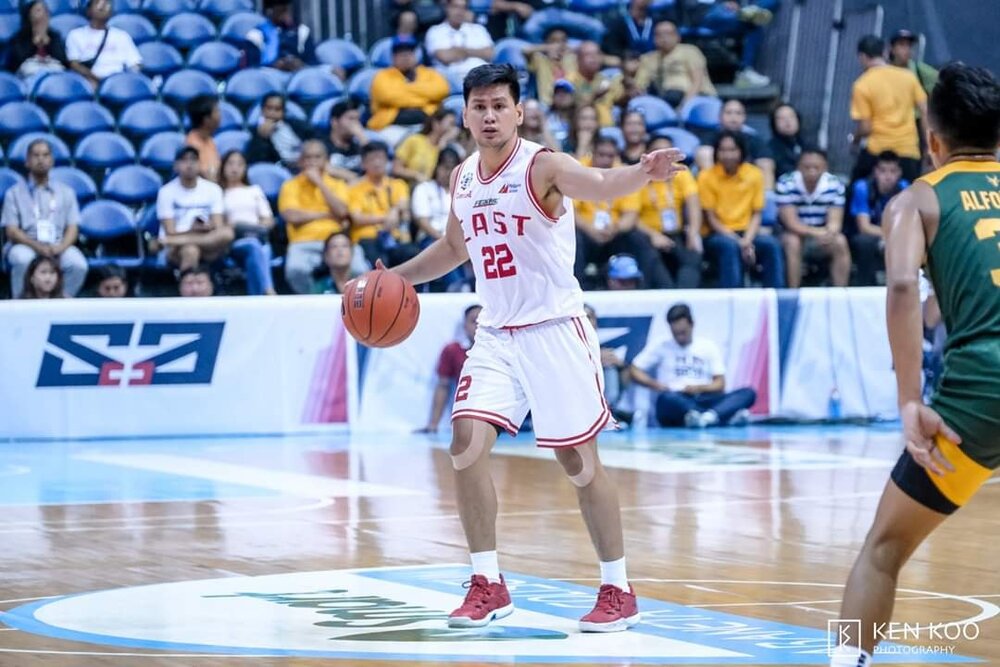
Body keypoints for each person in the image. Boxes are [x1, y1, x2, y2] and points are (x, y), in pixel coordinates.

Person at [386, 63, 686, 631]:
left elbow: (600, 186)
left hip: (554, 330)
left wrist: (642, 172)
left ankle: (618, 588)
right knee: (465, 443)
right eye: (480, 106)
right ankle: (488, 582)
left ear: (519, 111)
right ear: (466, 114)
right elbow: (454, 247)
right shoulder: (463, 178)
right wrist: (397, 277)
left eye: (500, 105)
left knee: (577, 461)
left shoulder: (541, 164)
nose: (490, 115)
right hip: (497, 334)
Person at [829, 62, 1000, 667]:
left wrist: (910, 400)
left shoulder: (917, 200)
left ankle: (849, 662)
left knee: (884, 547)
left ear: (932, 140)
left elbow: (902, 287)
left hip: (983, 392)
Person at [630, 303, 756, 427]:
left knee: (748, 393)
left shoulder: (707, 346)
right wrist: (654, 384)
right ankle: (720, 416)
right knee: (665, 400)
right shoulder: (661, 345)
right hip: (676, 398)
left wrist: (699, 388)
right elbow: (634, 369)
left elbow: (720, 384)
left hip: (704, 397)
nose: (679, 337)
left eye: (683, 332)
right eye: (675, 333)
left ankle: (707, 417)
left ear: (692, 324)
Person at [574, 136, 672, 290]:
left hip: (614, 233)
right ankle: (578, 290)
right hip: (586, 232)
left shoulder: (625, 172)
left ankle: (654, 290)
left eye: (610, 156)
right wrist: (591, 230)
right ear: (592, 153)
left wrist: (615, 228)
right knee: (572, 237)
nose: (606, 160)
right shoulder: (578, 170)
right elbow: (570, 212)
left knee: (638, 239)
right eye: (601, 155)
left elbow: (630, 215)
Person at [3, 139, 88, 298]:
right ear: (27, 162)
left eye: (45, 155)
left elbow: (72, 228)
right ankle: (21, 304)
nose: (41, 159)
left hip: (57, 245)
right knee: (22, 259)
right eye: (35, 155)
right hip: (26, 244)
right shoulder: (13, 193)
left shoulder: (66, 192)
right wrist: (36, 246)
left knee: (78, 264)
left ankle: (60, 302)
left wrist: (61, 247)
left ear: (52, 160)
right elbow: (12, 231)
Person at [698, 130, 784, 288]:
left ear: (741, 151)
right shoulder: (706, 177)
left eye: (732, 150)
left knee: (771, 245)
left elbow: (756, 214)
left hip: (747, 233)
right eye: (723, 150)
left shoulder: (755, 174)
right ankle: (732, 300)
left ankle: (777, 299)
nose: (727, 155)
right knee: (729, 247)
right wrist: (740, 243)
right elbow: (711, 218)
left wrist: (746, 241)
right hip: (717, 234)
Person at [277, 139, 351, 294]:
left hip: (335, 240)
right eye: (308, 158)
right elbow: (291, 215)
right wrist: (325, 214)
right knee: (295, 270)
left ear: (326, 160)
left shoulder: (337, 184)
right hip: (303, 241)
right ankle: (315, 302)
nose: (312, 162)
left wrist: (319, 183)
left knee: (359, 269)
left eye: (317, 157)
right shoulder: (290, 185)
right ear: (300, 161)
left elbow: (342, 212)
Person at [850, 35, 927, 183]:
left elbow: (866, 128)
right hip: (908, 150)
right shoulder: (908, 77)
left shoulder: (862, 84)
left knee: (854, 189)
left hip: (877, 150)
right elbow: (925, 111)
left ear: (862, 56)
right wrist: (928, 147)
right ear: (885, 53)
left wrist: (855, 140)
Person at [775, 147, 850, 288]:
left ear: (825, 168)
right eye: (807, 167)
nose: (811, 171)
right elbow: (791, 223)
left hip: (821, 238)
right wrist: (817, 232)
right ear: (798, 167)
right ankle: (794, 294)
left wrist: (829, 233)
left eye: (816, 167)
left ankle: (840, 294)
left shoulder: (835, 185)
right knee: (793, 242)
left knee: (840, 241)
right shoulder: (785, 184)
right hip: (792, 235)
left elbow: (835, 222)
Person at [637, 135, 703, 289]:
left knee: (693, 254)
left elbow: (693, 204)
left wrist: (693, 233)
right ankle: (668, 294)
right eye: (658, 152)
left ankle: (683, 297)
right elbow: (631, 217)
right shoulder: (639, 175)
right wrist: (653, 235)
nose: (664, 157)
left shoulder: (681, 173)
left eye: (668, 153)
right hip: (648, 235)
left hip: (675, 233)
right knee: (650, 255)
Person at [156, 146, 232, 273]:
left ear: (199, 164)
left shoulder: (213, 189)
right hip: (176, 247)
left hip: (208, 243)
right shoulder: (166, 192)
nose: (189, 164)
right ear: (176, 166)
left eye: (194, 160)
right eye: (184, 160)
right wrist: (191, 230)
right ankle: (191, 290)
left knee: (227, 233)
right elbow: (170, 232)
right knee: (191, 250)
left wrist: (207, 227)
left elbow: (218, 227)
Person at [368, 36, 450, 147]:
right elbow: (388, 96)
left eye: (409, 52)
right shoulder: (382, 76)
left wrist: (404, 90)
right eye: (401, 53)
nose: (406, 56)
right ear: (393, 57)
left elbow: (442, 90)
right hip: (392, 128)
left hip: (427, 126)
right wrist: (425, 97)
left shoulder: (430, 73)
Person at [416, 304, 482, 434]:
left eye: (482, 321)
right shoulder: (452, 351)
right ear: (464, 326)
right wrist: (433, 425)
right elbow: (443, 386)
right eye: (474, 321)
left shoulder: (503, 350)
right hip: (470, 421)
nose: (478, 326)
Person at [347, 142, 415, 267]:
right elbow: (357, 218)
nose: (377, 163)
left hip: (395, 237)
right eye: (372, 159)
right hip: (367, 238)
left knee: (413, 255)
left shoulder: (398, 184)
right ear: (363, 164)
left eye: (380, 158)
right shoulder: (355, 188)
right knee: (379, 262)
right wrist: (387, 217)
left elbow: (404, 210)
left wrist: (395, 211)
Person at [219, 150, 276, 296]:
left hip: (256, 236)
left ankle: (255, 298)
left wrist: (253, 228)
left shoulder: (254, 191)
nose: (235, 168)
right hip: (233, 242)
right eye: (230, 164)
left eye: (239, 164)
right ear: (223, 167)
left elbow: (268, 220)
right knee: (254, 246)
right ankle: (269, 291)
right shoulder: (219, 193)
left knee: (259, 248)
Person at [849, 151, 909, 286]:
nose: (888, 176)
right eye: (883, 171)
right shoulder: (862, 187)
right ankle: (864, 286)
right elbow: (864, 227)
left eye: (893, 171)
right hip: (872, 234)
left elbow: (907, 223)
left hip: (896, 234)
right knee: (864, 242)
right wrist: (887, 236)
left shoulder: (906, 188)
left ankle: (903, 286)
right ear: (875, 172)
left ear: (899, 173)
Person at [635, 20, 716, 109]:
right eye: (659, 34)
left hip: (698, 97)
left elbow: (697, 82)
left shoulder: (690, 51)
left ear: (678, 36)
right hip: (667, 99)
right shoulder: (648, 59)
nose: (664, 37)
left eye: (668, 33)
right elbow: (639, 85)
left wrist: (685, 105)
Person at [66, 0, 141, 86]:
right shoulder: (75, 35)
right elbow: (74, 64)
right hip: (90, 80)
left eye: (106, 4)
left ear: (111, 12)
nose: (102, 6)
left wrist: (128, 77)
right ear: (88, 11)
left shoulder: (122, 36)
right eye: (97, 3)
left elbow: (135, 64)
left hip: (118, 82)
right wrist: (96, 78)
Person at [584, 304, 633, 427]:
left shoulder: (605, 352)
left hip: (604, 401)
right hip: (578, 400)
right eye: (583, 318)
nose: (587, 322)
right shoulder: (567, 348)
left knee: (610, 366)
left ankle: (610, 411)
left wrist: (621, 366)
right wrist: (594, 359)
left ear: (596, 322)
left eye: (589, 318)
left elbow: (627, 384)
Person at [425, 0, 495, 81]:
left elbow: (490, 54)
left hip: (481, 76)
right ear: (447, 8)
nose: (459, 12)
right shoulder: (435, 31)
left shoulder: (478, 29)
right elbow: (444, 57)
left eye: (463, 8)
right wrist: (476, 52)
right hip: (451, 79)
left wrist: (461, 51)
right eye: (455, 7)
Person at [245, 94, 313, 170]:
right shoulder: (254, 132)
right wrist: (262, 138)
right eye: (269, 108)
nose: (272, 113)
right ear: (262, 110)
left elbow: (314, 139)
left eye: (277, 109)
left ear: (283, 112)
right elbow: (257, 163)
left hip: (304, 164)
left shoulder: (296, 125)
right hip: (280, 169)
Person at [393, 108, 460, 184]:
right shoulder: (414, 140)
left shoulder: (448, 149)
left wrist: (443, 141)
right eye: (451, 124)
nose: (454, 129)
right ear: (436, 124)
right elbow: (396, 169)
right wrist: (415, 175)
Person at [246, 0, 316, 72]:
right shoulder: (255, 34)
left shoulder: (302, 32)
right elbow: (251, 70)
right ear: (270, 10)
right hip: (268, 77)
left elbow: (313, 66)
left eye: (287, 6)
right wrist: (274, 65)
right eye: (281, 7)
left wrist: (301, 65)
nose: (286, 10)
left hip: (297, 77)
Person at [7, 0, 69, 78]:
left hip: (52, 69)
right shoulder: (20, 37)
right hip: (29, 71)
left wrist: (50, 43)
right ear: (29, 15)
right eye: (38, 10)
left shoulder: (54, 36)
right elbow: (15, 63)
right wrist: (33, 43)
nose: (43, 14)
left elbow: (63, 61)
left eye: (45, 11)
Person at [522, 27, 576, 108]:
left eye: (562, 40)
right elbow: (525, 51)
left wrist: (565, 49)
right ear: (547, 42)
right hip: (547, 104)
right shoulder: (540, 60)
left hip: (570, 104)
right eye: (554, 41)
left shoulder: (571, 59)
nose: (558, 45)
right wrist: (548, 48)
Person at [324, 99, 370, 182]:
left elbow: (375, 164)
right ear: (334, 122)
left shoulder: (360, 146)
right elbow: (320, 165)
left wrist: (362, 137)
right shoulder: (322, 145)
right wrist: (352, 177)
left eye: (357, 119)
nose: (356, 124)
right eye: (351, 119)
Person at [888, 29, 938, 98]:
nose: (907, 49)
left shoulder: (920, 70)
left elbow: (943, 87)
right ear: (892, 49)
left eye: (909, 45)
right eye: (902, 44)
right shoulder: (883, 71)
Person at [184, 96, 221, 181]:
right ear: (206, 119)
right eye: (216, 112)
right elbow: (206, 176)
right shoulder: (192, 144)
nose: (220, 115)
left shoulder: (210, 140)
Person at [768, 103, 805, 180]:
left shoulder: (807, 145)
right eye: (781, 118)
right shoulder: (769, 149)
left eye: (791, 116)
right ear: (774, 123)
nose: (788, 121)